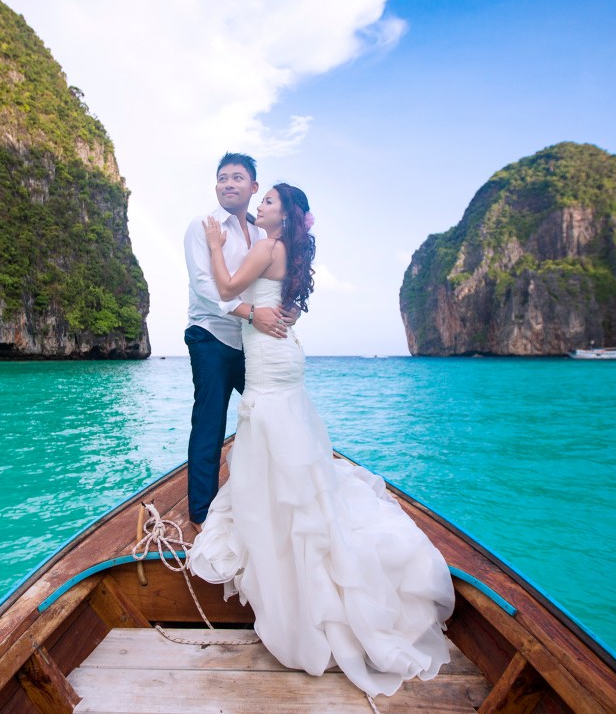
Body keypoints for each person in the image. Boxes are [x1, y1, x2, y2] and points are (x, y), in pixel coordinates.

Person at [187, 183, 457, 699]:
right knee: (285, 437)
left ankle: (280, 522)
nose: (259, 205)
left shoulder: (266, 246)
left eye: (267, 201)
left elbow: (223, 290)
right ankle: (293, 505)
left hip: (268, 359)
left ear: (284, 215)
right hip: (283, 355)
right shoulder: (289, 251)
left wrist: (216, 247)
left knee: (269, 431)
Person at [184, 153, 291, 530]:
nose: (228, 184)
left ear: (253, 187)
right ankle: (200, 515)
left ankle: (274, 498)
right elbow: (203, 287)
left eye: (237, 177)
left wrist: (283, 311)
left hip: (251, 343)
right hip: (210, 336)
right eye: (222, 178)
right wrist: (249, 312)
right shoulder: (204, 225)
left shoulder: (261, 232)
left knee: (267, 417)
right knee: (210, 424)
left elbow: (270, 282)